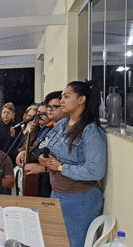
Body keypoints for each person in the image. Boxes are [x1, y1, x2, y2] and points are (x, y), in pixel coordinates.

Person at [39, 81, 106, 247]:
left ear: (81, 99)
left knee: (74, 243)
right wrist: (43, 157)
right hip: (58, 193)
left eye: (66, 96)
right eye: (62, 96)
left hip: (79, 198)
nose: (62, 100)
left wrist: (61, 167)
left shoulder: (90, 131)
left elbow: (95, 170)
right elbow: (46, 144)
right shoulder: (62, 124)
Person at [16, 91, 64, 197]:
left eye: (55, 106)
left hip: (58, 186)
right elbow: (41, 147)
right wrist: (26, 151)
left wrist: (43, 168)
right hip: (51, 184)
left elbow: (61, 162)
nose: (50, 110)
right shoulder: (50, 128)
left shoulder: (62, 129)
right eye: (49, 107)